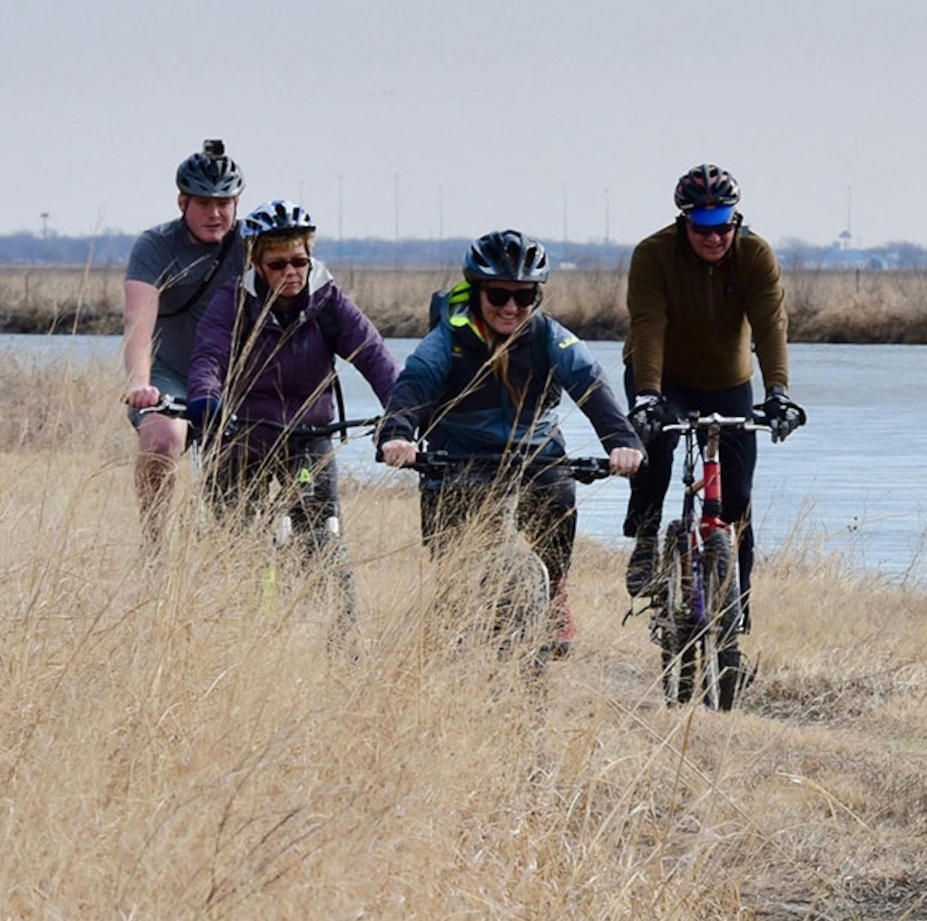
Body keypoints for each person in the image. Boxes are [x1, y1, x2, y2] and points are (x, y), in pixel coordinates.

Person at [377, 231, 644, 654]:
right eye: (499, 295)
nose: (510, 307)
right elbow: (414, 384)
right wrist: (397, 434)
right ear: (478, 291)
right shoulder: (447, 339)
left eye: (524, 297)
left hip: (535, 455)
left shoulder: (550, 337)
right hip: (460, 458)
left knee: (557, 498)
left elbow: (591, 384)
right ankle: (451, 640)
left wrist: (622, 441)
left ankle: (554, 593)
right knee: (455, 574)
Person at [620, 163, 804, 605]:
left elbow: (770, 327)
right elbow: (648, 325)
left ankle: (737, 607)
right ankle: (646, 537)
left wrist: (778, 393)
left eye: (723, 225)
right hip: (662, 376)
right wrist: (647, 395)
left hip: (727, 380)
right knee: (658, 449)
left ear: (735, 218)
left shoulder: (755, 255)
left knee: (737, 495)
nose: (714, 237)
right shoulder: (654, 253)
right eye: (702, 227)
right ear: (684, 221)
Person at [186, 201, 401, 557]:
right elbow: (209, 356)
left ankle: (325, 585)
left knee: (321, 529)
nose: (291, 271)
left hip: (309, 435)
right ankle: (236, 581)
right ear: (256, 264)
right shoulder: (234, 301)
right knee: (232, 536)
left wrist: (401, 414)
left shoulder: (329, 301)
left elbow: (375, 356)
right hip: (245, 433)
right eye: (277, 264)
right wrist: (206, 400)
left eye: (299, 262)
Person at [121, 139, 249, 532]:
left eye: (224, 203)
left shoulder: (252, 243)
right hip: (169, 373)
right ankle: (155, 542)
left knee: (248, 458)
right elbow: (138, 324)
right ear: (182, 203)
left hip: (232, 375)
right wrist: (140, 384)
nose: (215, 213)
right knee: (163, 437)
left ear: (236, 203)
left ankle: (237, 542)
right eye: (204, 203)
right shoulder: (156, 245)